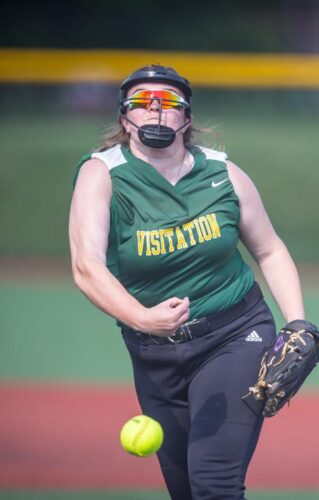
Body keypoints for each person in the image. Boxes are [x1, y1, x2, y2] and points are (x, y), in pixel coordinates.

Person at [69, 64, 306, 500]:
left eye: (168, 103)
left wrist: (297, 325)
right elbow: (86, 267)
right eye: (142, 103)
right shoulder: (102, 175)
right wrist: (142, 318)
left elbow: (270, 250)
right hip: (153, 353)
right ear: (125, 118)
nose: (156, 111)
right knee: (184, 491)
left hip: (234, 335)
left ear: (187, 117)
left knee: (213, 483)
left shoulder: (223, 174)